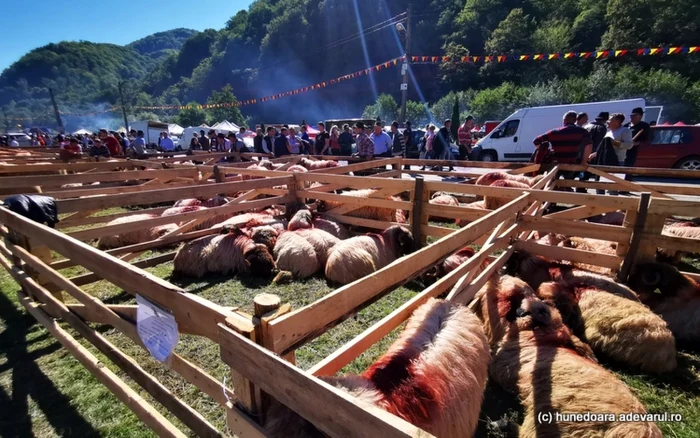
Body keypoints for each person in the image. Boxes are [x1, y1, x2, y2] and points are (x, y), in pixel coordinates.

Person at [585, 112, 609, 193]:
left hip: (585, 152)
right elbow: (601, 142)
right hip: (597, 153)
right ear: (605, 120)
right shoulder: (602, 128)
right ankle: (598, 191)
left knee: (584, 171)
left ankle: (580, 188)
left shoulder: (587, 126)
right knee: (597, 173)